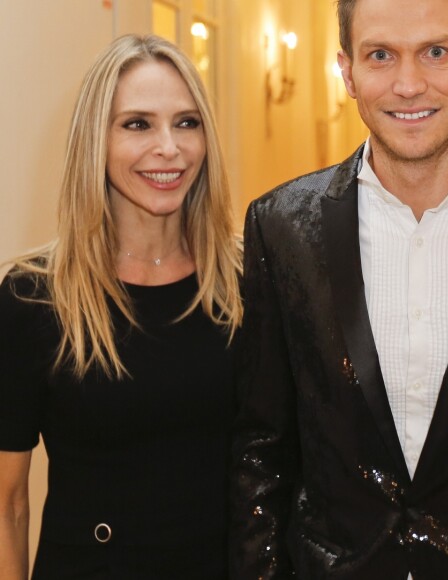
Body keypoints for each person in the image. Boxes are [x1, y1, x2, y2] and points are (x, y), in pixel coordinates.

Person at [230, 0, 448, 577]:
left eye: (436, 52)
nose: (408, 83)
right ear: (348, 72)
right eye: (381, 55)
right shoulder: (280, 227)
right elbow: (260, 453)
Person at [0, 34, 242, 580]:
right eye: (138, 124)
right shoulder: (32, 299)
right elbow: (7, 505)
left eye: (187, 122)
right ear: (96, 141)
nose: (170, 148)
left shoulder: (248, 285)